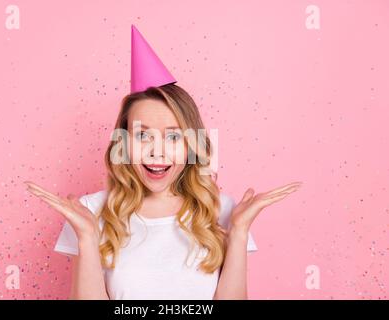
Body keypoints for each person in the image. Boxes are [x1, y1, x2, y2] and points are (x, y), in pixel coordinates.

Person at [24, 25, 302, 300]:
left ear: (191, 145)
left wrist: (240, 231)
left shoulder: (224, 211)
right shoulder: (91, 212)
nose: (157, 152)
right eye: (142, 135)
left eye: (173, 137)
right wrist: (86, 236)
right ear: (123, 142)